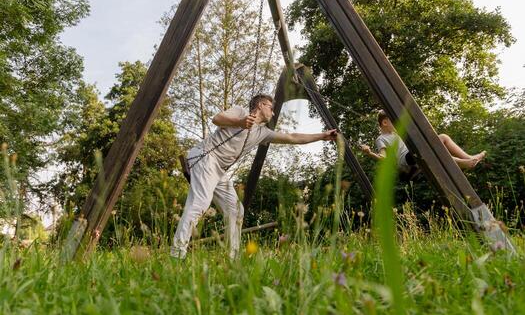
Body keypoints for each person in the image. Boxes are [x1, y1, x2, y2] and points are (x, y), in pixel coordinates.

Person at [171, 94, 337, 259]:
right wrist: (240, 122)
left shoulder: (263, 133)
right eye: (271, 109)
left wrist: (323, 136)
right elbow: (217, 119)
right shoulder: (239, 111)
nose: (273, 114)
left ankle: (232, 259)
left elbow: (292, 137)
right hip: (205, 157)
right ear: (261, 105)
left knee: (236, 210)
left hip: (219, 170)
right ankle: (177, 254)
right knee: (200, 202)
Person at [360, 110, 486, 175]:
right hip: (406, 160)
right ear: (385, 122)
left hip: (413, 154)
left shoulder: (397, 135)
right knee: (435, 142)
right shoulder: (381, 139)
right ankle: (465, 163)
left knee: (442, 138)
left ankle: (469, 159)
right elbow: (384, 158)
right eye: (394, 120)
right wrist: (370, 153)